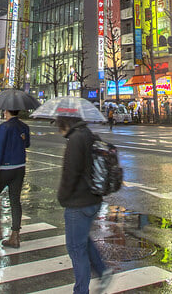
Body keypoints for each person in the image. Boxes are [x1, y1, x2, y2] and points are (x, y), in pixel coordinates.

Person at [55, 115, 113, 294]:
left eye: (58, 125)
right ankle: (103, 272)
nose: (58, 130)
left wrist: (62, 197)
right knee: (82, 240)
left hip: (77, 203)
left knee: (75, 248)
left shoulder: (75, 139)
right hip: (94, 200)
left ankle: (81, 291)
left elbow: (70, 174)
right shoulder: (89, 134)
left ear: (65, 123)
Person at [0, 110, 30, 247]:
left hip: (4, 168)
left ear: (7, 112)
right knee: (15, 201)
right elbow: (27, 144)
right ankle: (15, 235)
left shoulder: (4, 127)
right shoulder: (24, 127)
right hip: (20, 167)